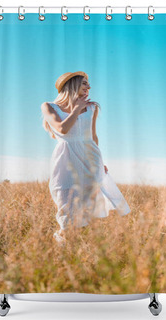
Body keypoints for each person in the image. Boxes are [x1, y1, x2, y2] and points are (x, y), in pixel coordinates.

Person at [41, 71, 131, 243]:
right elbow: (62, 129)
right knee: (65, 202)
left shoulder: (92, 108)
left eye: (89, 84)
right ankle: (62, 243)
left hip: (90, 158)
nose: (89, 87)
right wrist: (76, 108)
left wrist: (101, 162)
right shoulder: (48, 106)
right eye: (84, 83)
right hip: (65, 159)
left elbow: (93, 136)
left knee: (88, 208)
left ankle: (81, 249)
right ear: (72, 85)